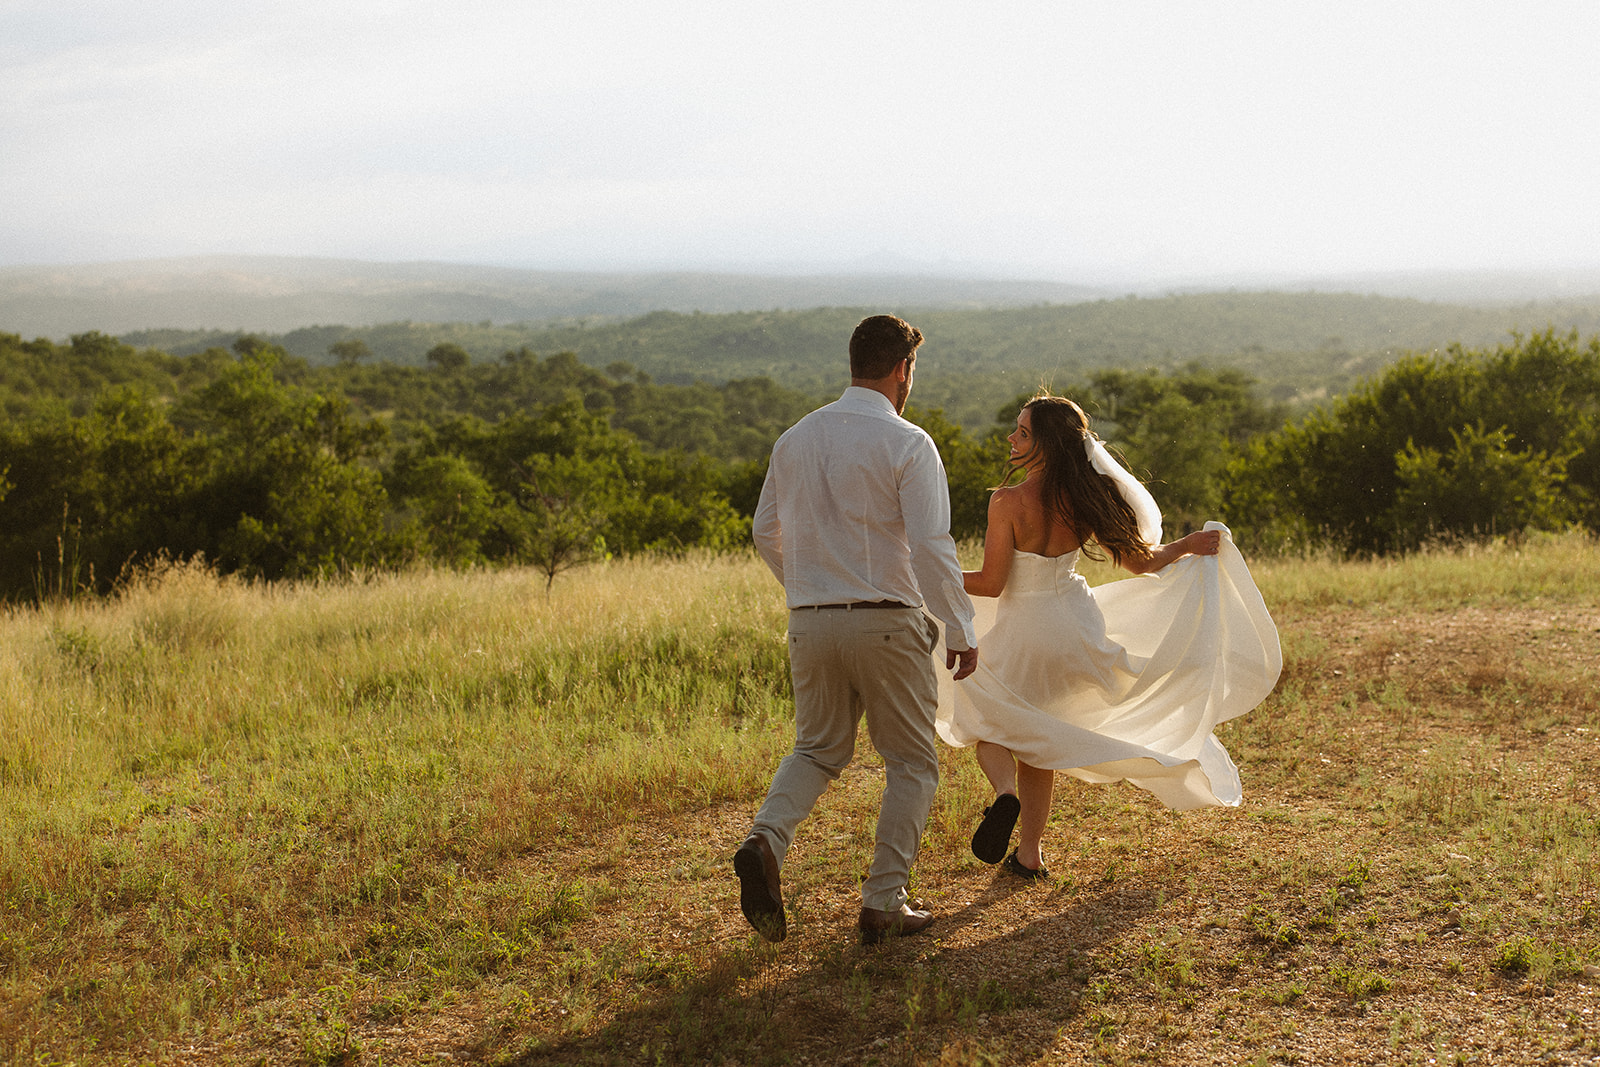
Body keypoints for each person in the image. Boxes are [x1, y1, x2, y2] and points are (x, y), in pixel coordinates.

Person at [937, 393, 1281, 879]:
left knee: (983, 716)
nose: (1011, 438)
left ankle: (1004, 794)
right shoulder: (1084, 498)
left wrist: (938, 573)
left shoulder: (1006, 501)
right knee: (1041, 736)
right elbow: (1141, 561)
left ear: (1048, 445)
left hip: (1025, 626)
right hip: (1076, 627)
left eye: (1023, 433)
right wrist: (1185, 546)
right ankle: (1029, 854)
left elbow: (992, 584)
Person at [737, 314, 979, 946]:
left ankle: (765, 840)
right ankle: (882, 902)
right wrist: (959, 625)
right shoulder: (908, 442)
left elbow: (765, 531)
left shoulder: (795, 438)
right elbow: (930, 545)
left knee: (816, 750)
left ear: (854, 362)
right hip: (888, 623)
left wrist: (810, 588)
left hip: (809, 621)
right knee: (911, 763)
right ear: (903, 369)